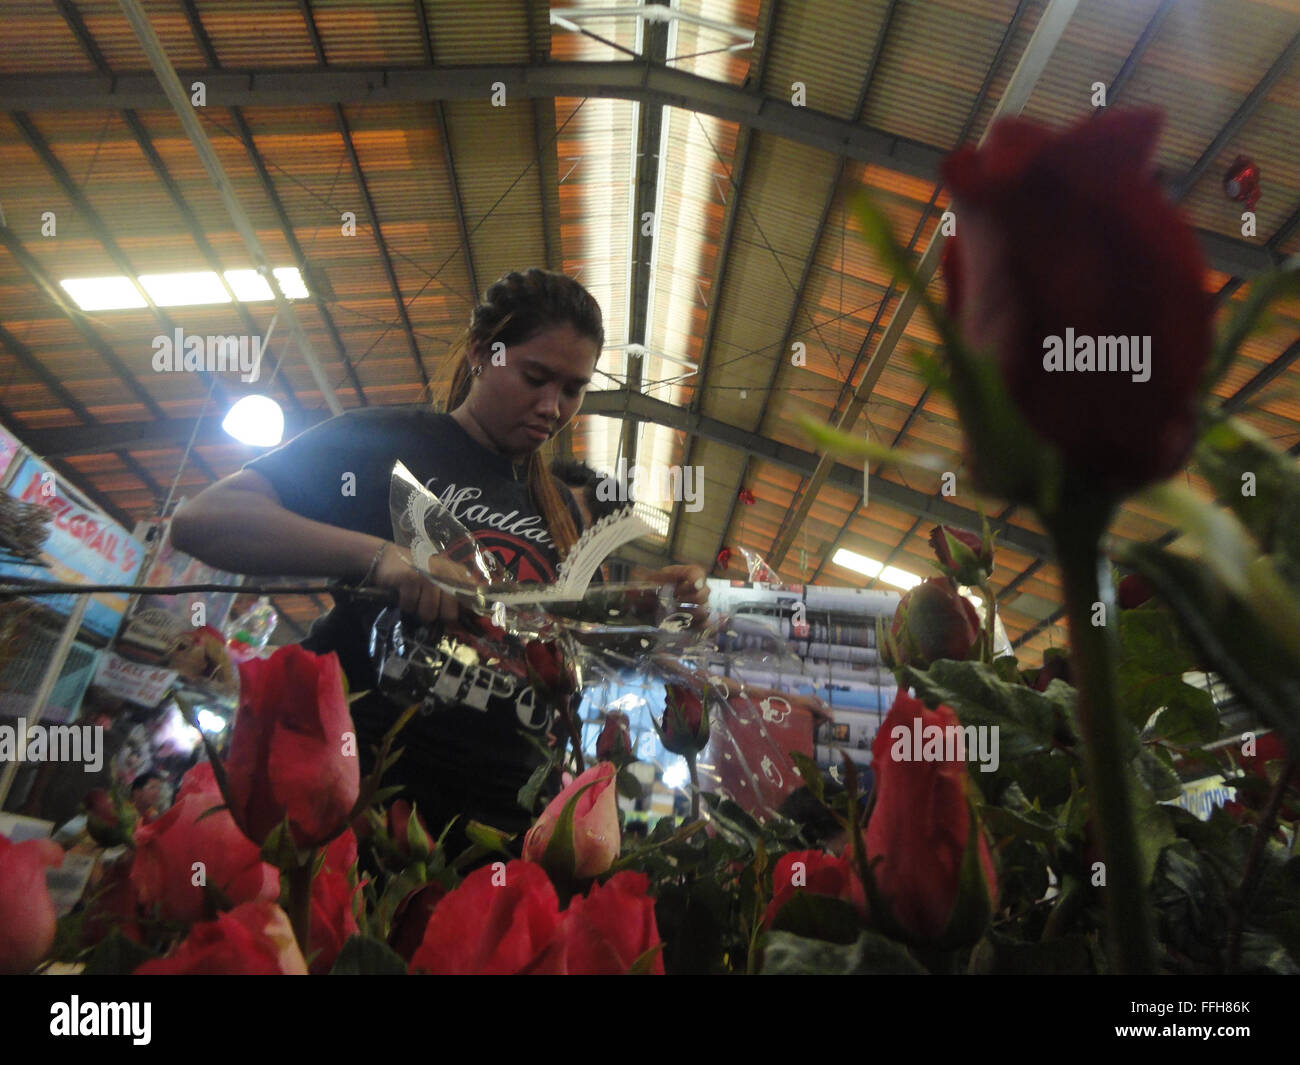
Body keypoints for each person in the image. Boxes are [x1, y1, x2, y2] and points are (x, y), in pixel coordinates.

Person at [170, 268, 707, 846]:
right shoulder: (385, 442)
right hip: (367, 805)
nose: (552, 407)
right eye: (535, 378)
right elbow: (203, 520)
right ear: (480, 352)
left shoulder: (561, 513)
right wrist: (384, 557)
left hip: (504, 824)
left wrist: (649, 614)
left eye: (573, 390)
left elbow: (557, 648)